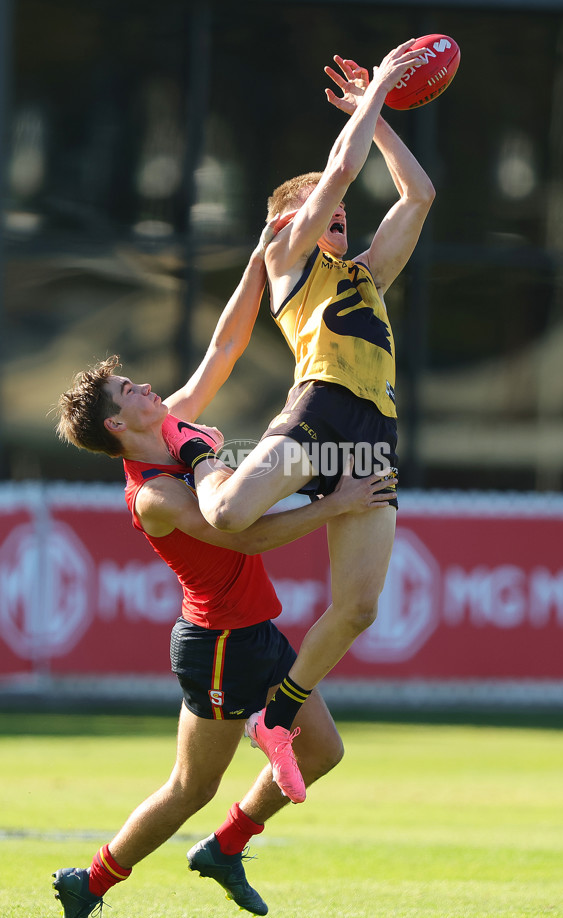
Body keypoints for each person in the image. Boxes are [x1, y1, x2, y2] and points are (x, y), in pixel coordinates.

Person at [52, 225, 393, 918]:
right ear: (120, 426)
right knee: (189, 787)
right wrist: (339, 503)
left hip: (255, 630)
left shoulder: (175, 422)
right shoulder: (155, 494)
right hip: (217, 646)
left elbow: (224, 346)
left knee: (322, 752)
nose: (147, 387)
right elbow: (246, 541)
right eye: (131, 390)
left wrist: (260, 264)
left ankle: (226, 847)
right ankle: (90, 882)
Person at [169, 42, 436, 805]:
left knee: (360, 607)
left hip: (372, 434)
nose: (341, 213)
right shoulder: (289, 259)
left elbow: (418, 197)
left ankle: (278, 714)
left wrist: (374, 117)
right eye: (325, 206)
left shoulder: (364, 276)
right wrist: (380, 90)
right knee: (231, 512)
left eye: (343, 212)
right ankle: (190, 454)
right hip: (318, 412)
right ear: (290, 220)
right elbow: (342, 173)